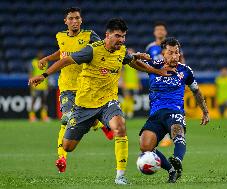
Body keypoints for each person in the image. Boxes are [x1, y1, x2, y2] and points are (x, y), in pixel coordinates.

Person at [29, 18, 175, 185]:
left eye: (124, 36)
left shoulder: (121, 51)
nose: (121, 40)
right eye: (118, 36)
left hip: (108, 102)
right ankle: (94, 124)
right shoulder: (92, 51)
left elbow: (133, 63)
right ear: (107, 35)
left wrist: (157, 71)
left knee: (120, 128)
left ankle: (120, 176)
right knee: (68, 146)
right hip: (84, 105)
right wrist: (44, 75)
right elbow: (66, 60)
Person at [37, 7, 113, 173]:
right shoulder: (60, 36)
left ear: (81, 20)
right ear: (66, 21)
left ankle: (99, 124)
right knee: (67, 119)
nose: (74, 21)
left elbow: (102, 51)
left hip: (86, 86)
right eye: (71, 18)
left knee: (84, 118)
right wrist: (47, 58)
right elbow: (62, 53)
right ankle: (61, 158)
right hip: (66, 87)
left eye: (77, 18)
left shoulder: (89, 35)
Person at [139, 37, 209, 183]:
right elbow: (131, 62)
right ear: (163, 53)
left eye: (177, 52)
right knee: (145, 147)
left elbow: (196, 91)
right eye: (170, 53)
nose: (174, 56)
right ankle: (171, 170)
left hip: (175, 111)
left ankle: (178, 160)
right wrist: (137, 56)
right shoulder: (154, 65)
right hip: (156, 115)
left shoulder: (185, 70)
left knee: (177, 132)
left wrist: (205, 111)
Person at [146, 21, 186, 147]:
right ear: (154, 32)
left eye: (162, 29)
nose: (160, 32)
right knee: (157, 106)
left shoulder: (173, 47)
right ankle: (158, 133)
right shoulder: (150, 48)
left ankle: (171, 134)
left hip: (172, 81)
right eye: (158, 29)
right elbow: (147, 65)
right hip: (157, 84)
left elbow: (182, 63)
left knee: (173, 106)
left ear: (165, 32)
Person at [29, 50, 50, 122]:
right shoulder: (33, 62)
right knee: (33, 101)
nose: (41, 54)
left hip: (44, 86)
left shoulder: (45, 63)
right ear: (37, 54)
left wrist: (48, 85)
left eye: (42, 53)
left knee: (44, 102)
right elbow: (31, 74)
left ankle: (44, 117)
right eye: (40, 53)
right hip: (35, 86)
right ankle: (31, 117)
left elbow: (47, 74)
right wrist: (31, 84)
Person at [121, 48, 141, 118]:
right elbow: (122, 73)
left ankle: (130, 112)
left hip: (134, 83)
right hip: (126, 83)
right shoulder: (125, 62)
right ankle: (123, 111)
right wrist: (123, 82)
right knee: (126, 97)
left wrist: (138, 83)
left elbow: (136, 74)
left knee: (132, 98)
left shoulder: (136, 63)